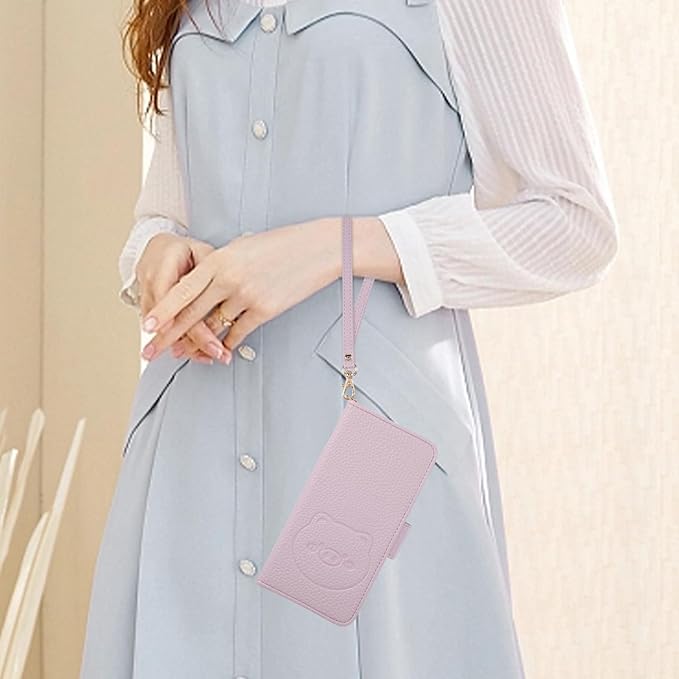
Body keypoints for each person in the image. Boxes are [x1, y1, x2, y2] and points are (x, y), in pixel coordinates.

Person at [80, 0, 619, 677]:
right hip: (193, 431)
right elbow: (163, 211)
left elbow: (573, 225)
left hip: (369, 439)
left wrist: (333, 248)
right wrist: (156, 252)